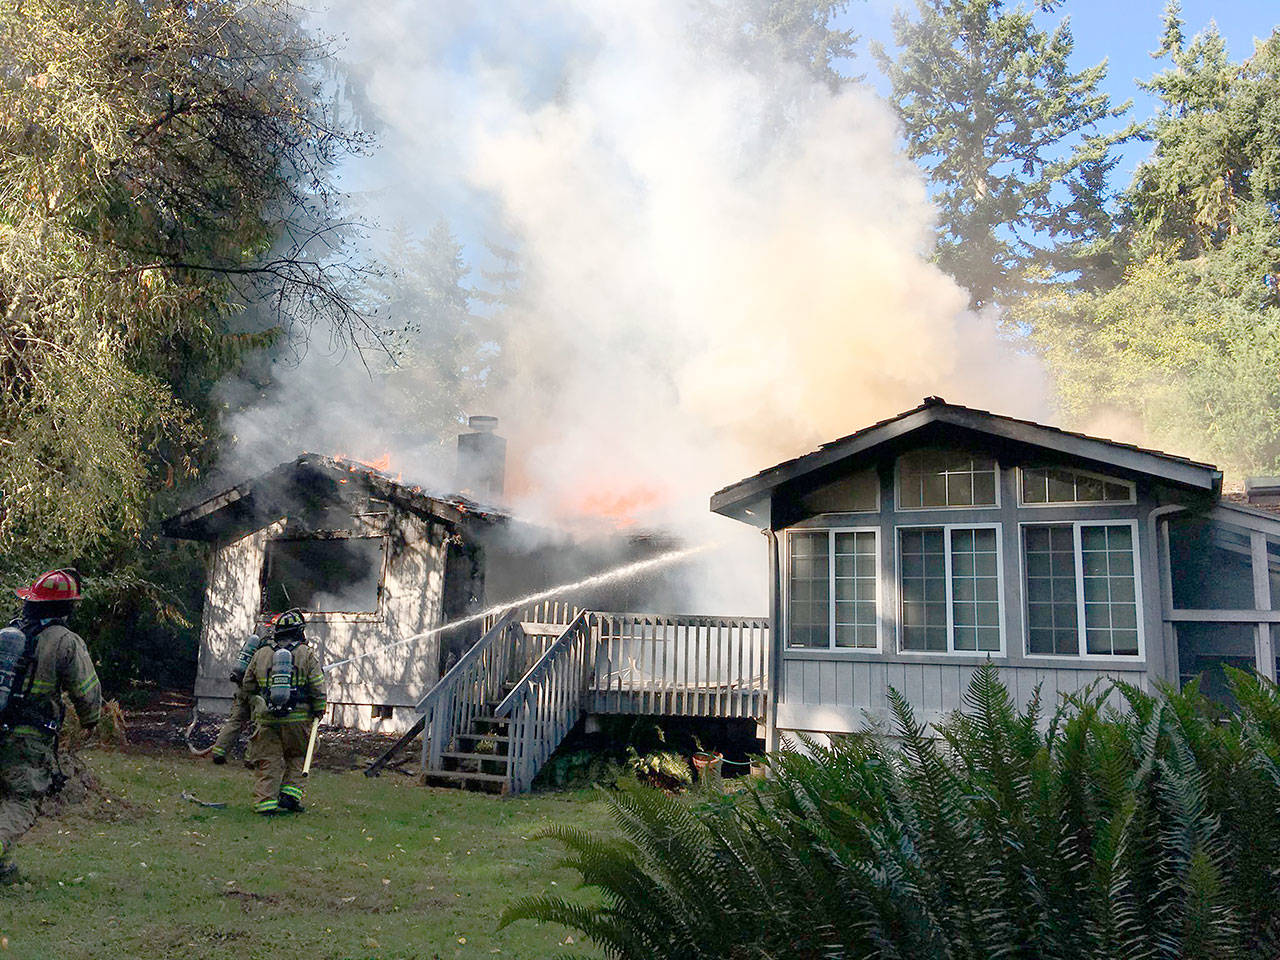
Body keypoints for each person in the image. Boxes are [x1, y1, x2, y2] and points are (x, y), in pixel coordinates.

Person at [0, 569, 101, 884]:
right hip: (28, 738)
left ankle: (3, 869)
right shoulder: (65, 641)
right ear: (67, 607)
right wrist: (91, 720)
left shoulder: (9, 634)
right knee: (21, 798)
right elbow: (87, 691)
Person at [240, 608, 325, 814]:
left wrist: (256, 704)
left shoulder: (261, 653)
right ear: (299, 631)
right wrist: (319, 708)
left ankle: (265, 804)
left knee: (268, 760)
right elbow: (317, 686)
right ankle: (290, 795)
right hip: (298, 719)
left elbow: (247, 685)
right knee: (299, 754)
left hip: (267, 719)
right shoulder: (306, 654)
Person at [208, 624, 272, 765]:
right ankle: (250, 759)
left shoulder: (253, 646)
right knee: (259, 724)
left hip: (242, 689)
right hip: (256, 693)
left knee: (235, 721)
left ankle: (219, 752)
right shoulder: (271, 651)